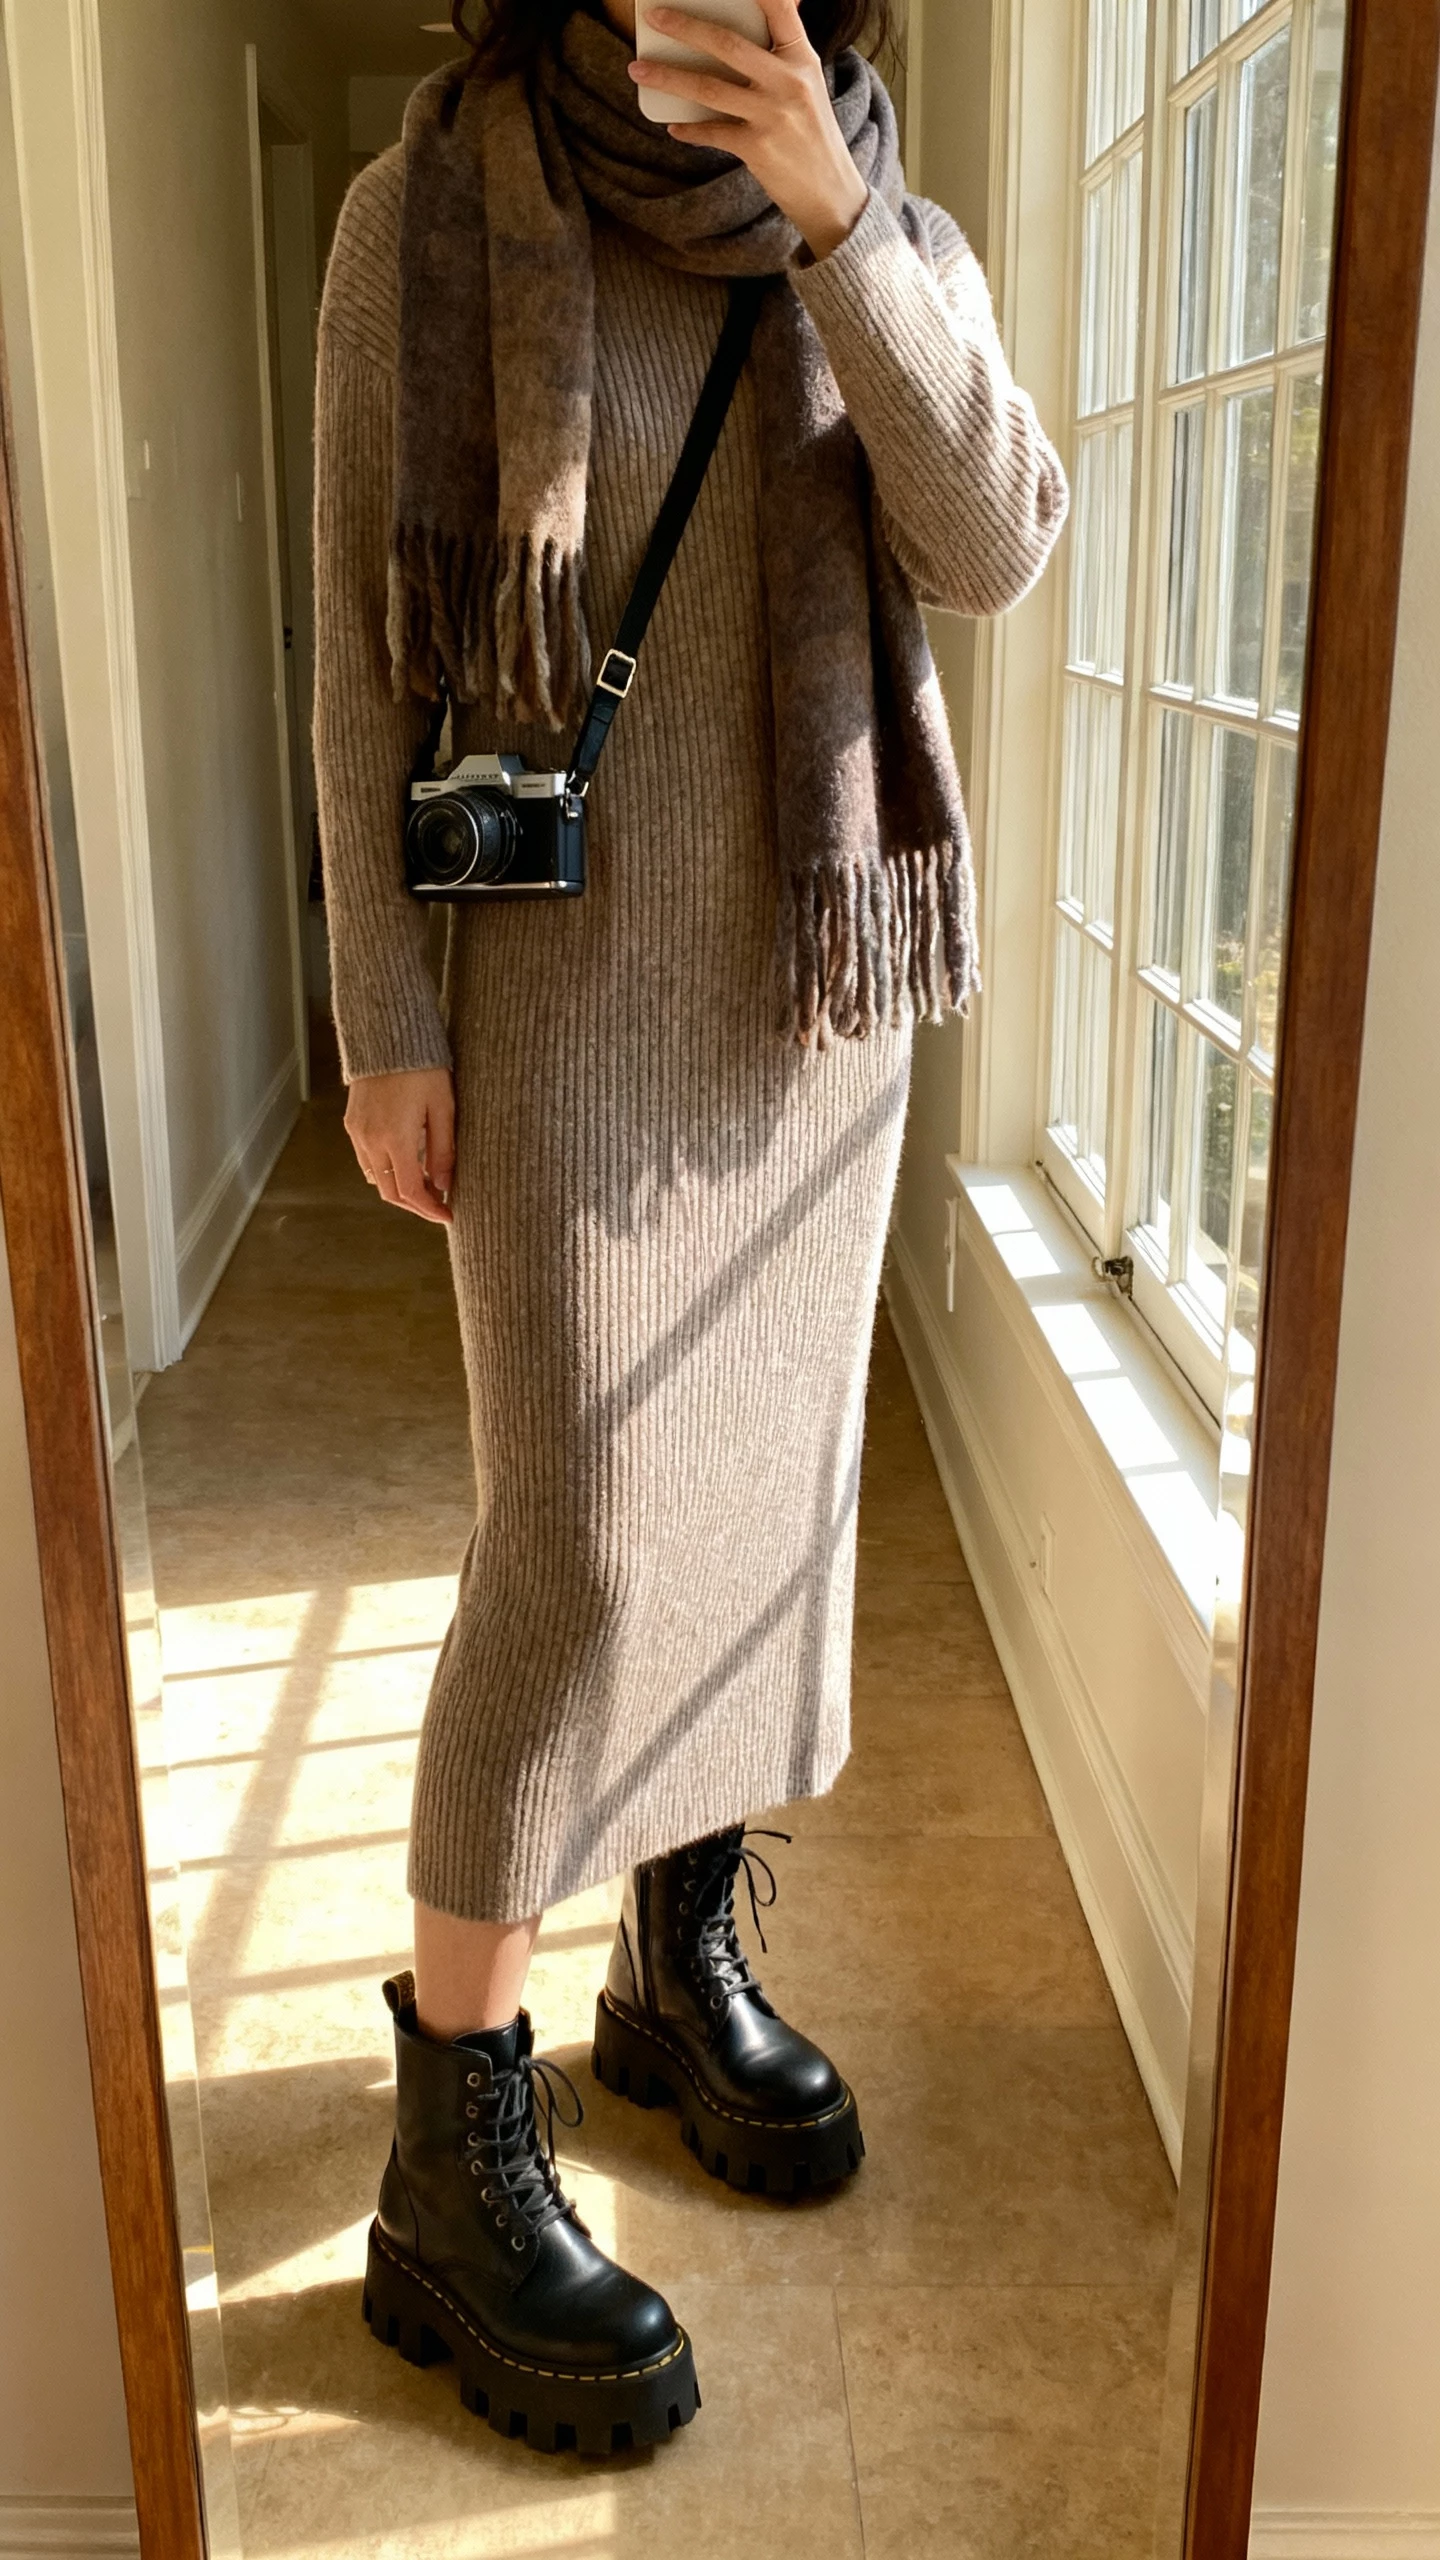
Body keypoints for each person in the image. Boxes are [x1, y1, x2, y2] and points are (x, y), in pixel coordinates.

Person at [313, 0, 1065, 2458]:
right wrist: (381, 1008)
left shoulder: (876, 205)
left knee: (756, 1516)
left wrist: (848, 234)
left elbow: (996, 539)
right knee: (584, 1545)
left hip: (810, 1012)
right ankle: (451, 2137)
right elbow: (356, 645)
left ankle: (671, 1957)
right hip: (547, 1005)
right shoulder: (422, 214)